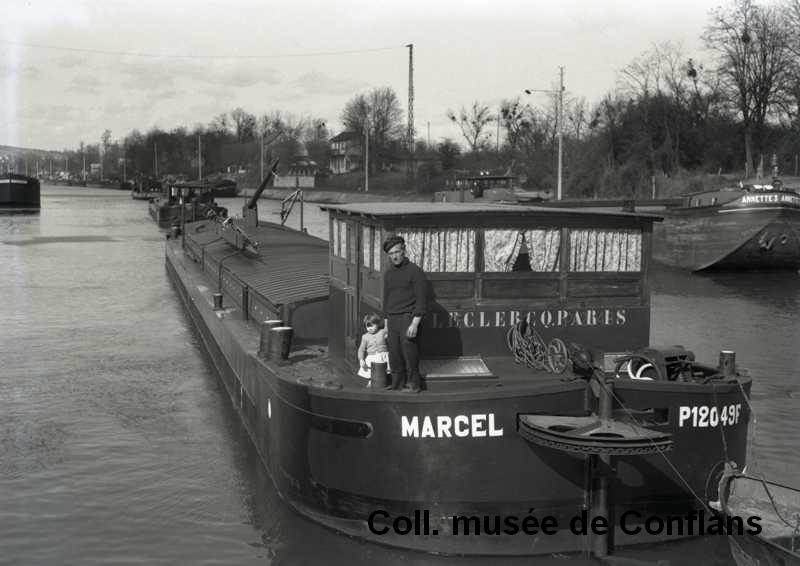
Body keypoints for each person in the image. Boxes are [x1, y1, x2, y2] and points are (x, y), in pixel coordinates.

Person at [382, 235, 428, 393]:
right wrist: (386, 325)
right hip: (392, 319)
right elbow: (387, 300)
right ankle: (397, 384)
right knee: (394, 354)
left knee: (409, 353)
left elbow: (421, 300)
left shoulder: (415, 272)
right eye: (391, 254)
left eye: (397, 252)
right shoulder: (388, 274)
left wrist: (415, 323)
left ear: (404, 251)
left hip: (408, 317)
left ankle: (413, 384)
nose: (394, 256)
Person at [357, 313, 390, 387]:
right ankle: (371, 380)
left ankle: (385, 381)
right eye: (367, 326)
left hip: (383, 356)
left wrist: (386, 321)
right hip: (372, 356)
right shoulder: (365, 337)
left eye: (372, 325)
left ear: (378, 324)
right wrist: (361, 359)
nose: (370, 328)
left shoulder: (382, 332)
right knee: (371, 369)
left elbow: (387, 329)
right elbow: (361, 349)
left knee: (385, 372)